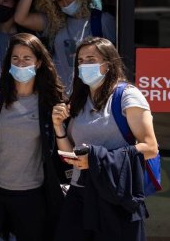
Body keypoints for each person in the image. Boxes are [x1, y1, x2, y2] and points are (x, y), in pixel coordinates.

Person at [52, 37, 158, 241]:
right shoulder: (79, 98)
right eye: (80, 61)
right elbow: (71, 154)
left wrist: (95, 159)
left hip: (114, 197)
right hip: (79, 194)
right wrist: (59, 127)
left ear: (108, 65)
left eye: (91, 59)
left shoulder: (127, 96)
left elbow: (151, 147)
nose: (84, 65)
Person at [0, 33, 65, 241]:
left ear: (38, 63)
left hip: (31, 193)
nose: (20, 64)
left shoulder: (50, 101)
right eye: (15, 58)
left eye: (27, 58)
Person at [14, 0, 116, 95]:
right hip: (61, 97)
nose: (65, 3)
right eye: (59, 0)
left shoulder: (102, 20)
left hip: (93, 96)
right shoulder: (56, 22)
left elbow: (114, 61)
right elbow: (20, 18)